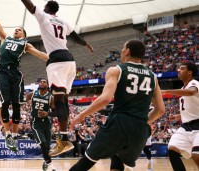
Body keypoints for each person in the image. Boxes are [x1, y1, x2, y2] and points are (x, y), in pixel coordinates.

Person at [69, 39, 165, 171]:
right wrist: (142, 121)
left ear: (127, 51)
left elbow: (105, 99)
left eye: (122, 50)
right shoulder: (153, 76)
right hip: (141, 128)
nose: (121, 52)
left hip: (119, 122)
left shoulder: (117, 70)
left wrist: (82, 114)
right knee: (117, 159)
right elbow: (160, 110)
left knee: (86, 161)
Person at [21, 0, 94, 156]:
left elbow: (29, 5)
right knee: (63, 101)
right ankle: (65, 138)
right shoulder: (63, 21)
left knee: (59, 101)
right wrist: (86, 44)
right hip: (70, 61)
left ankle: (64, 140)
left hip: (57, 61)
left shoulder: (43, 16)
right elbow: (76, 38)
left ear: (47, 8)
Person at [0, 0, 49, 151]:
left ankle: (15, 134)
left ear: (24, 35)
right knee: (5, 102)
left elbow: (40, 54)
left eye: (19, 29)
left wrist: (55, 58)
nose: (16, 30)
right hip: (3, 71)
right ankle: (8, 134)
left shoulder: (26, 44)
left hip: (15, 73)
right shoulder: (5, 38)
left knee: (16, 104)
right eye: (15, 29)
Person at [161, 61, 199, 171]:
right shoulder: (183, 88)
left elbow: (191, 92)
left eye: (182, 68)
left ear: (190, 72)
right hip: (186, 126)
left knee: (196, 156)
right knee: (172, 150)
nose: (179, 70)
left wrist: (166, 91)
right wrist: (178, 116)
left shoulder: (195, 84)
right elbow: (192, 108)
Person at [26, 78, 56, 171]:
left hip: (47, 122)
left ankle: (46, 161)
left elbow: (55, 112)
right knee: (43, 144)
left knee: (47, 147)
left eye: (44, 82)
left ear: (47, 85)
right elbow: (25, 99)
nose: (42, 83)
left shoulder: (51, 97)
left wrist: (47, 113)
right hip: (36, 122)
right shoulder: (33, 93)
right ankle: (52, 167)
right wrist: (28, 107)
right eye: (41, 82)